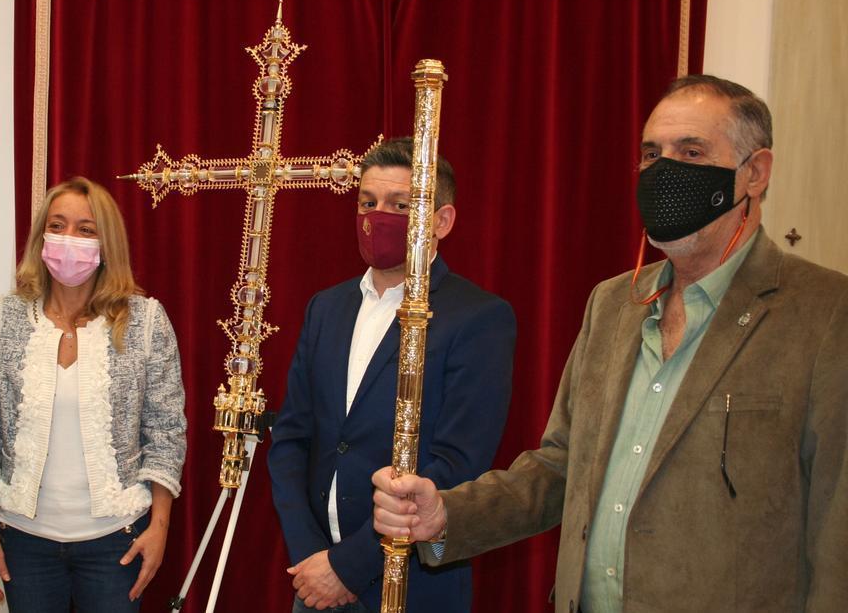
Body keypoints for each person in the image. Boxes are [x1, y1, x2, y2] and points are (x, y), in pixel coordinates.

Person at [373, 75, 848, 612]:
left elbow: (837, 528)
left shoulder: (825, 314)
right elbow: (560, 467)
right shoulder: (613, 303)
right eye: (651, 154)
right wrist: (446, 516)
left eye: (691, 151)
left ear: (755, 173)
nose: (663, 171)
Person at [268, 138, 516, 612]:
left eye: (400, 205)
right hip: (314, 578)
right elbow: (293, 437)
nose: (377, 217)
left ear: (441, 221)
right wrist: (310, 556)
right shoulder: (326, 307)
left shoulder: (478, 318)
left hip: (415, 582)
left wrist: (348, 566)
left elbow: (457, 463)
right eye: (368, 202)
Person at [0, 176, 186, 612]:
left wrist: (159, 527)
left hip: (116, 543)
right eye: (58, 225)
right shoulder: (2, 316)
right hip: (24, 544)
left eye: (86, 230)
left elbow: (166, 431)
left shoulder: (145, 321)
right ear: (40, 236)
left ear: (107, 242)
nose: (69, 240)